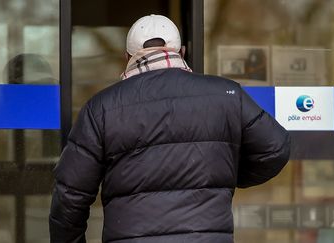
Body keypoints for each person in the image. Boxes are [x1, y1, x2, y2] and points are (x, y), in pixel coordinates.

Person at [50, 14, 290, 243]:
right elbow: (275, 149)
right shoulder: (226, 94)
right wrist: (221, 177)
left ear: (127, 56)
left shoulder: (101, 108)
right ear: (182, 52)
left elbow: (71, 196)